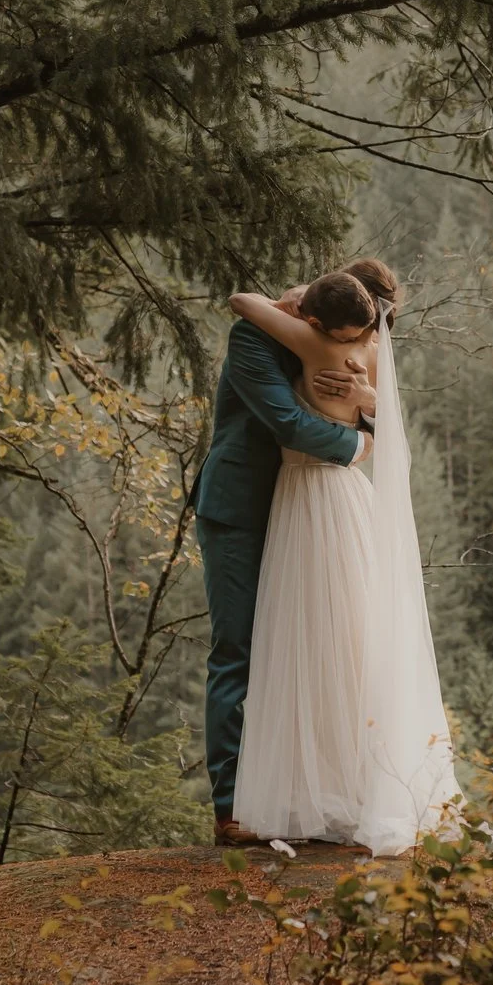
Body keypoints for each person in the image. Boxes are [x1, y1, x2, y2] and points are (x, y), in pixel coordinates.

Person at [224, 260, 460, 855]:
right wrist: (366, 417)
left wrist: (290, 299)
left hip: (307, 495)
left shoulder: (309, 337)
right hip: (347, 498)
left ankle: (305, 791)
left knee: (305, 640)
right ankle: (353, 785)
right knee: (351, 636)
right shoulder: (372, 356)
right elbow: (370, 420)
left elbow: (240, 299)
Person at [194, 276, 369, 847]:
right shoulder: (253, 338)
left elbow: (366, 407)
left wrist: (364, 402)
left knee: (310, 649)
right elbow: (286, 422)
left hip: (302, 513)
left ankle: (300, 794)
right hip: (241, 509)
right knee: (237, 651)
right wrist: (357, 446)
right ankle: (231, 809)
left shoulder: (338, 345)